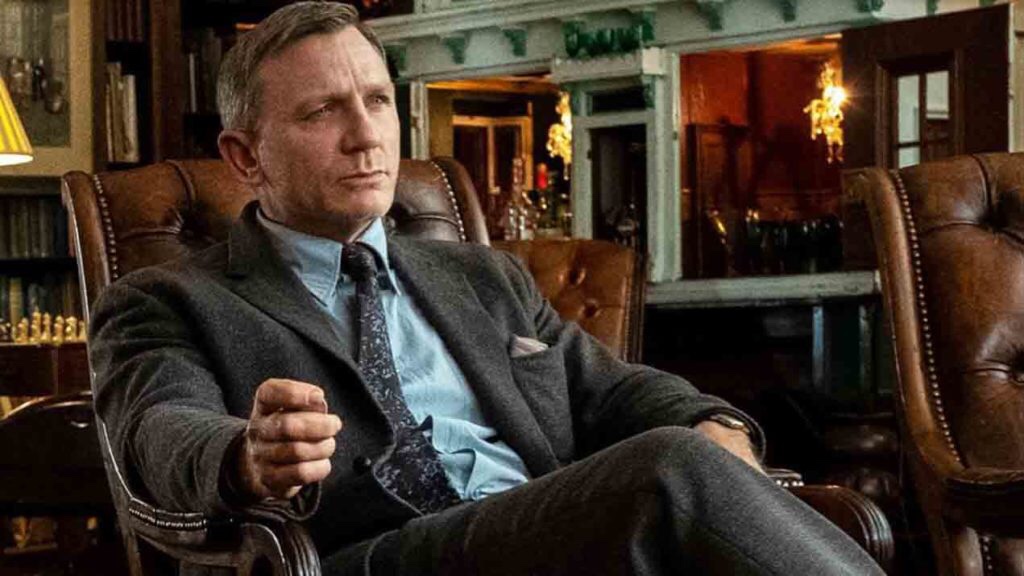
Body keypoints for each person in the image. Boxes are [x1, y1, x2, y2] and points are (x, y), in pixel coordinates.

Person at [88, 3, 884, 575]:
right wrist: (244, 456)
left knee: (689, 452)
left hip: (544, 533)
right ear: (245, 157)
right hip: (370, 553)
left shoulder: (481, 275)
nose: (366, 136)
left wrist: (715, 424)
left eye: (377, 101)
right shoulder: (168, 300)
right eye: (322, 112)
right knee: (667, 472)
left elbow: (612, 392)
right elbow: (157, 431)